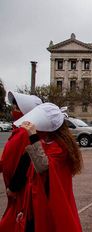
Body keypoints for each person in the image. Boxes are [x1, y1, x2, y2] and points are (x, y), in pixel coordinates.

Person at [12, 103, 82, 231]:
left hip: (49, 201)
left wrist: (33, 136)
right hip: (36, 199)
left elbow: (43, 167)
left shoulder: (61, 146)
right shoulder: (46, 142)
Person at [0, 92, 42, 231]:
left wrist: (13, 187)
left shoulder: (25, 133)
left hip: (21, 192)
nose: (13, 110)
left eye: (17, 107)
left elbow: (27, 160)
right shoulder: (19, 131)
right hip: (15, 192)